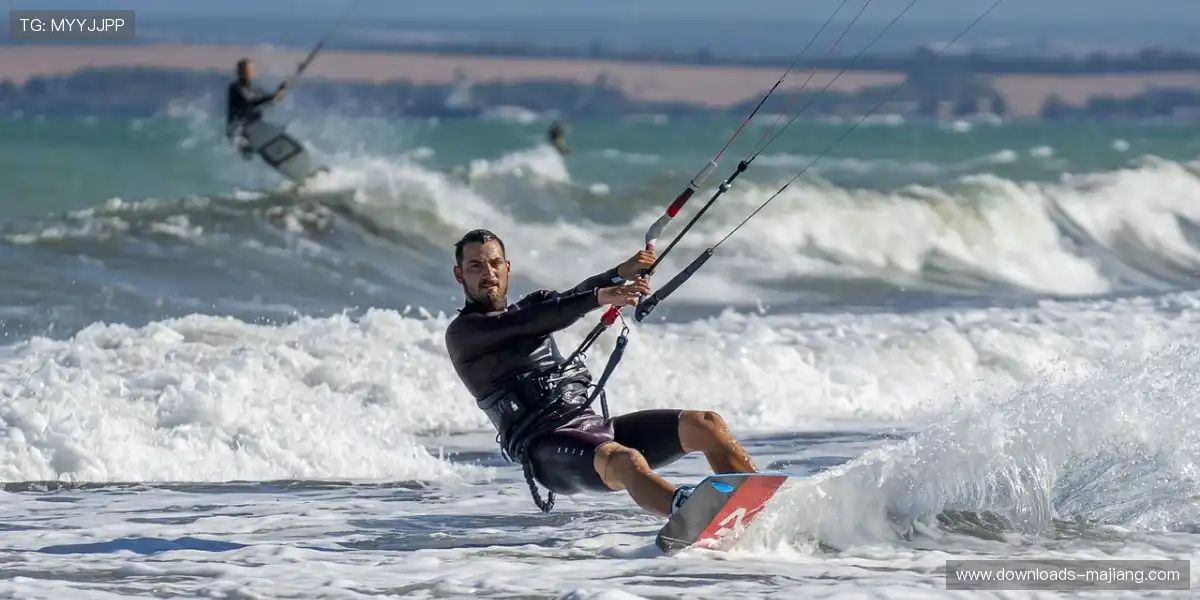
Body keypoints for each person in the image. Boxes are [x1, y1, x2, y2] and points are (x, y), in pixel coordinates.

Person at [444, 228, 759, 517]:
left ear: (507, 267)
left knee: (705, 424)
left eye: (495, 263)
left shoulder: (534, 306)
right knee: (626, 461)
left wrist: (620, 274)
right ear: (459, 275)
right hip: (544, 447)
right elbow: (532, 322)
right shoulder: (464, 334)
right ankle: (691, 516)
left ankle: (758, 502)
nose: (488, 273)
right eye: (476, 266)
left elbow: (565, 300)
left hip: (592, 427)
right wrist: (599, 298)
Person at [225, 58, 288, 160]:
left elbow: (268, 100)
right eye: (245, 70)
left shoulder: (254, 90)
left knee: (280, 128)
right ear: (239, 72)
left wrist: (279, 92)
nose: (248, 72)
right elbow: (250, 100)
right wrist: (272, 97)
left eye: (250, 69)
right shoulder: (235, 88)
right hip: (238, 131)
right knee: (247, 153)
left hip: (252, 128)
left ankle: (279, 152)